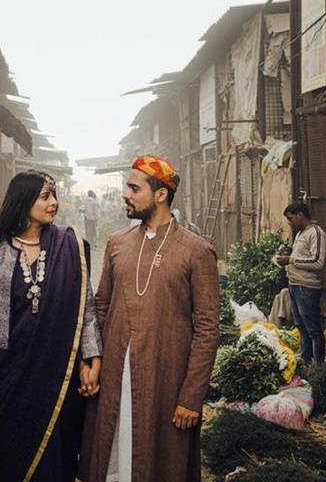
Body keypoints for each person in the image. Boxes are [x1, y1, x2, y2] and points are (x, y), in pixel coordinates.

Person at [80, 155, 220, 482]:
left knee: (161, 464)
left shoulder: (197, 251)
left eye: (133, 188)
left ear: (160, 194)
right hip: (115, 378)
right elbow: (100, 308)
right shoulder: (117, 244)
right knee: (111, 462)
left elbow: (208, 330)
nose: (125, 195)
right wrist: (92, 361)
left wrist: (191, 396)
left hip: (166, 382)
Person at [0, 170, 102, 481]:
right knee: (12, 456)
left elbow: (85, 308)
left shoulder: (70, 245)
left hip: (58, 374)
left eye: (53, 195)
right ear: (23, 201)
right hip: (7, 375)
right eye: (45, 196)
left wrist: (91, 359)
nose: (53, 203)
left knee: (58, 456)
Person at [276, 202, 326, 366]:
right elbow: (301, 258)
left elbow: (318, 262)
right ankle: (306, 363)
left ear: (300, 215)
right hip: (295, 286)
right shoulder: (299, 234)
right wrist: (287, 258)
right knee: (302, 328)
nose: (289, 222)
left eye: (291, 218)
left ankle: (318, 365)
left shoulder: (316, 233)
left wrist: (290, 260)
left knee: (313, 330)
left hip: (308, 288)